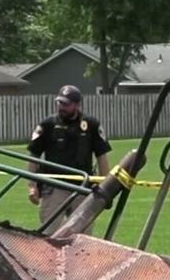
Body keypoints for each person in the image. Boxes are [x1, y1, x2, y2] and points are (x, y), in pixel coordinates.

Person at [27, 85, 112, 235]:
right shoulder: (48, 125)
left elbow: (102, 156)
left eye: (66, 104)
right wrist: (32, 186)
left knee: (83, 237)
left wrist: (105, 186)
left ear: (77, 104)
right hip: (54, 188)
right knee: (49, 234)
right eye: (60, 102)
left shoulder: (91, 125)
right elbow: (34, 155)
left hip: (83, 188)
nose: (62, 107)